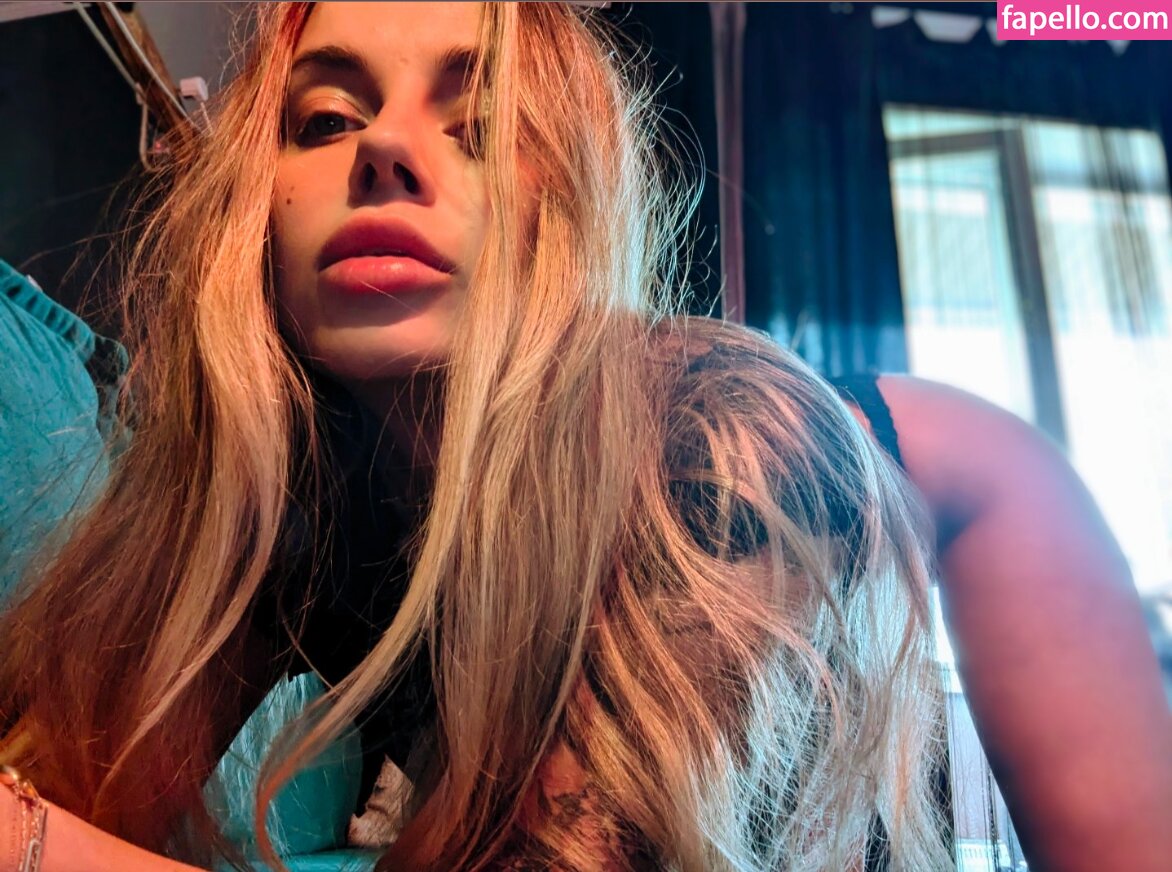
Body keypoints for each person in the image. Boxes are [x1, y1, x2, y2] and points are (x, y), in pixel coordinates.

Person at [0, 3, 1168, 871]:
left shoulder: (712, 448)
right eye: (325, 118)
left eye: (479, 125)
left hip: (973, 481)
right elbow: (76, 786)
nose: (381, 151)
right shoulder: (294, 500)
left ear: (564, 209)